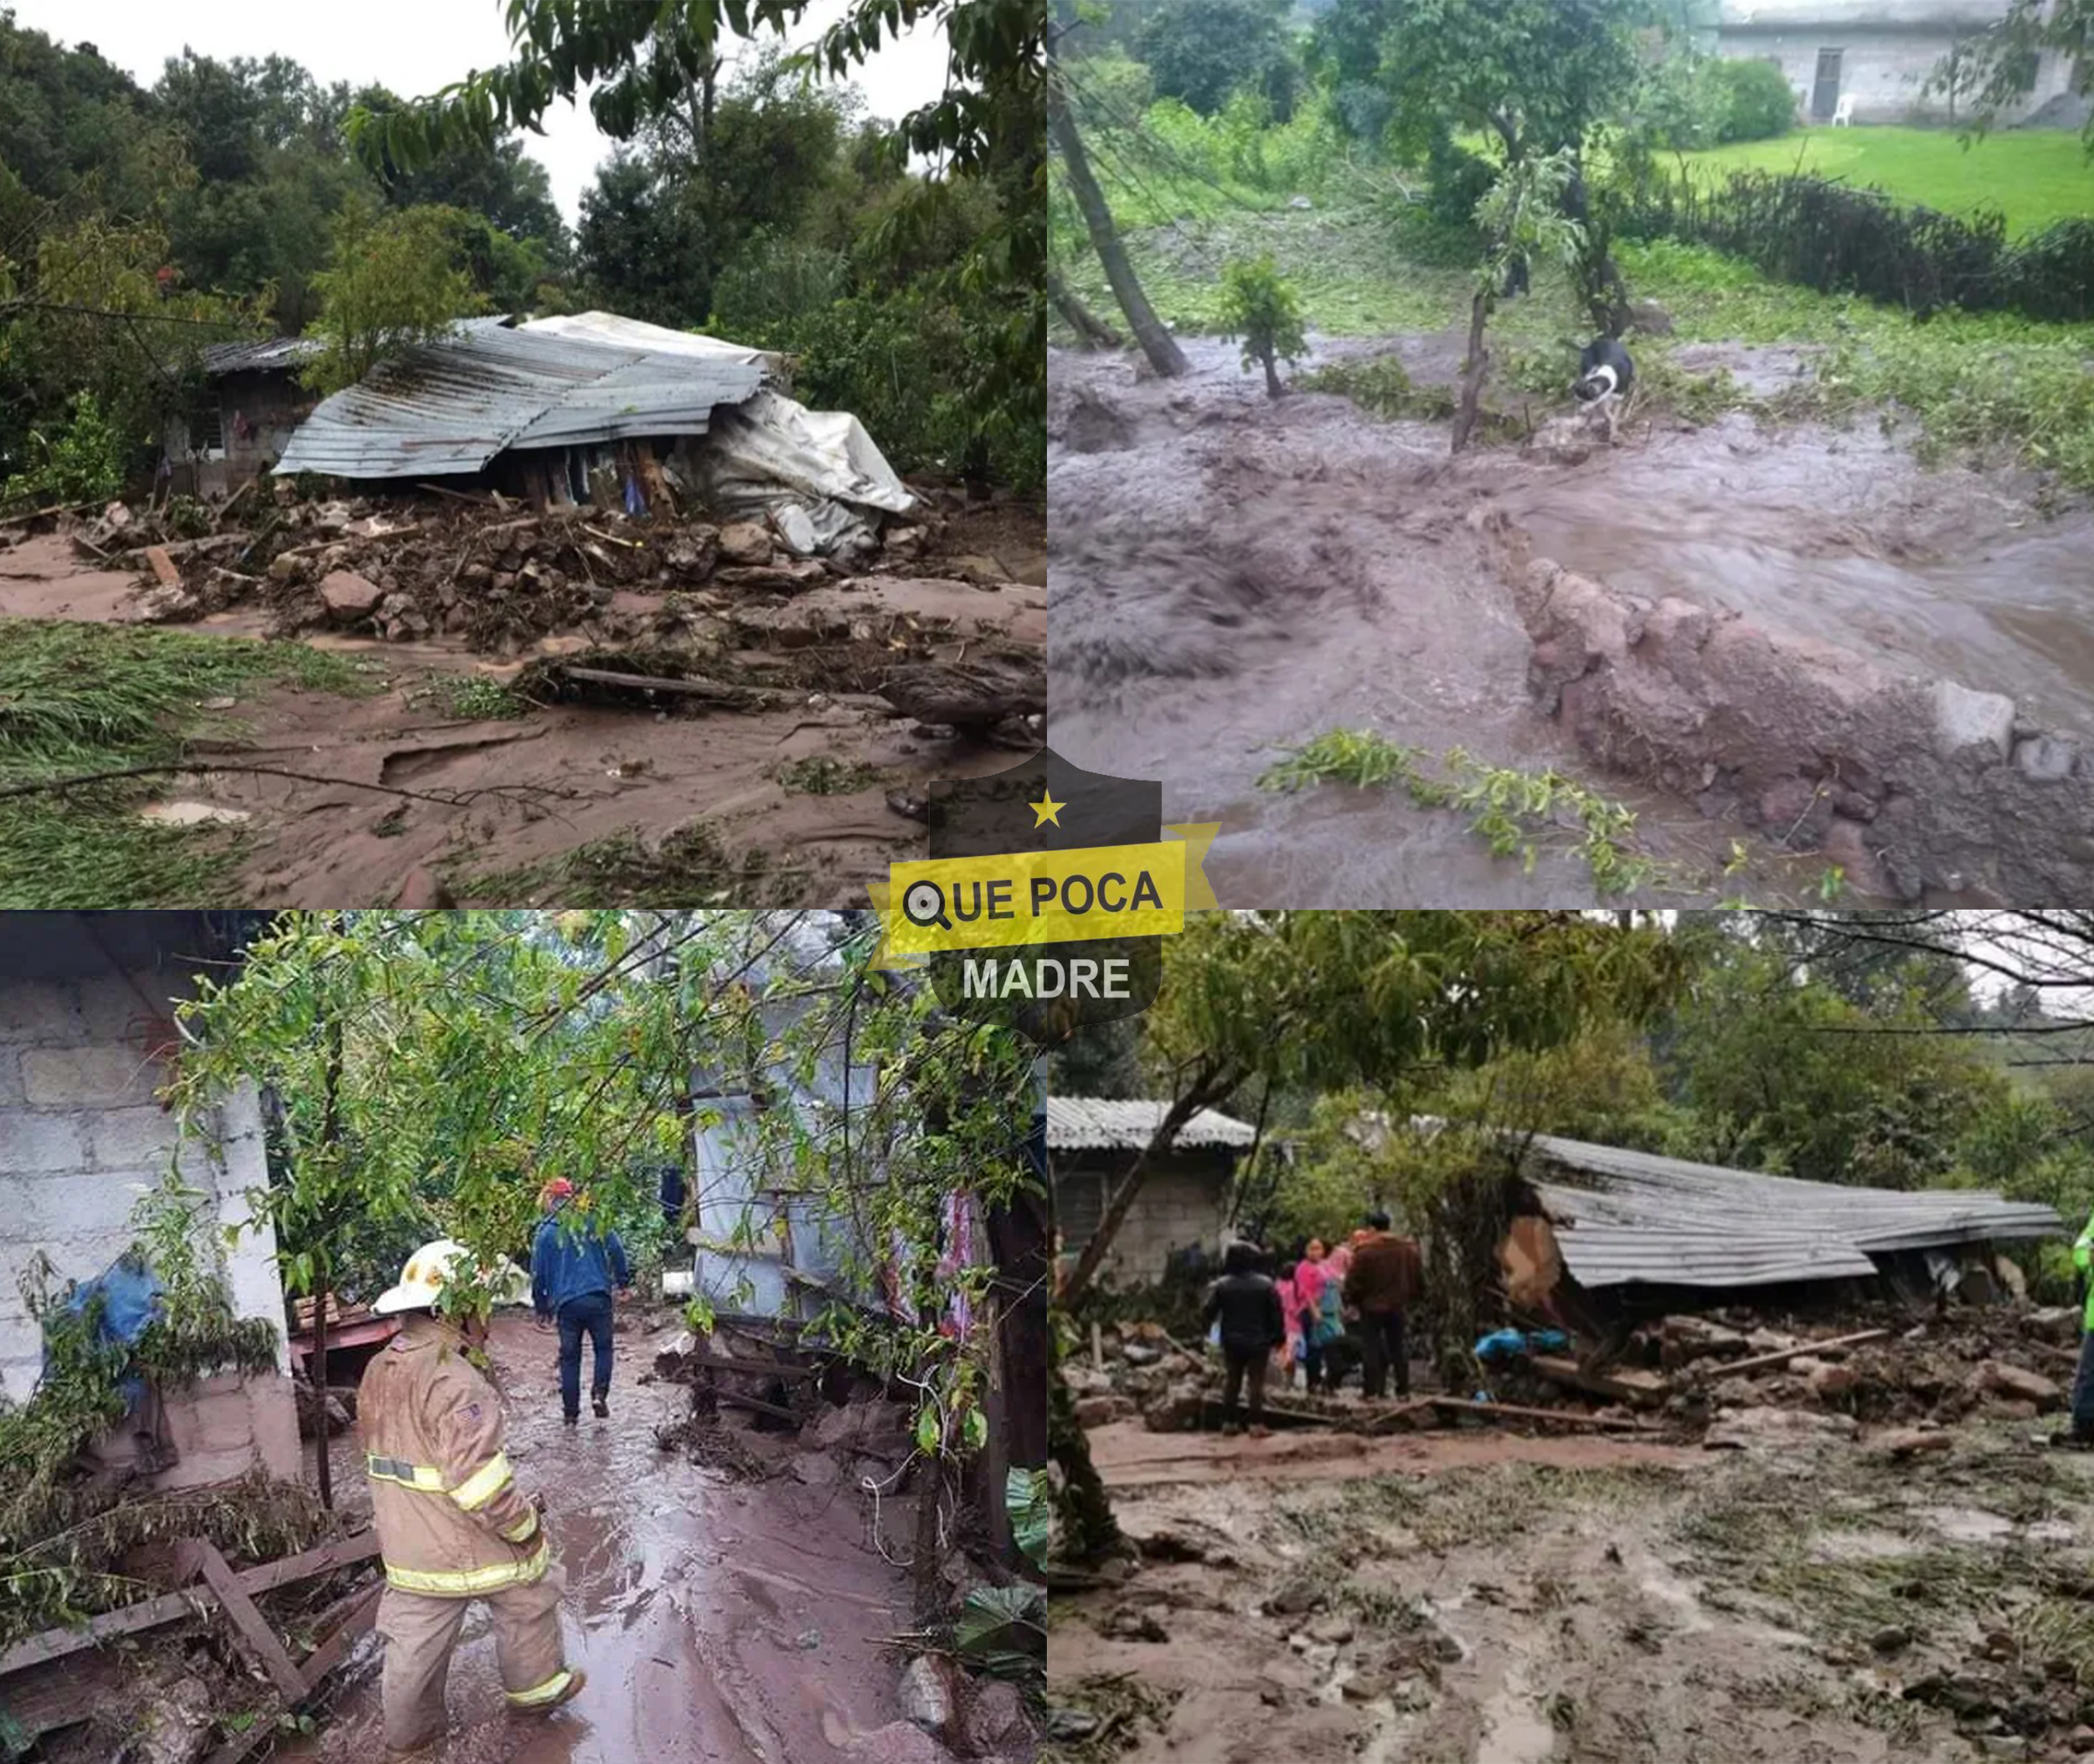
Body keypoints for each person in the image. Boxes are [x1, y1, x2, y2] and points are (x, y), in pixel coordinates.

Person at [361, 1239, 585, 1755]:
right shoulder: (455, 1378)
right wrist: (527, 1528)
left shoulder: (379, 1368)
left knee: (412, 1643)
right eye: (482, 1308)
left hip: (405, 1548)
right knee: (531, 1582)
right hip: (463, 1542)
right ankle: (536, 1695)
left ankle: (409, 1741)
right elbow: (478, 1485)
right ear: (452, 1310)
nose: (488, 1320)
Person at [530, 1179, 632, 1425]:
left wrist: (541, 1307)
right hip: (598, 1297)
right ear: (572, 1198)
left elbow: (538, 1276)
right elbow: (616, 1248)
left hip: (566, 1305)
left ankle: (570, 1414)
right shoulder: (592, 1220)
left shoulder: (545, 1233)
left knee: (570, 1357)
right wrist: (623, 1282)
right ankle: (599, 1394)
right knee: (604, 1349)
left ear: (549, 1200)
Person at [1203, 1240, 1285, 1437]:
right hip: (1259, 1341)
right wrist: (1278, 1337)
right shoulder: (1265, 1284)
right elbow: (1276, 1314)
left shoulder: (1222, 1285)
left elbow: (1208, 1312)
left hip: (1231, 1341)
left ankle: (1229, 1423)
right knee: (1255, 1383)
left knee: (1232, 1381)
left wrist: (1208, 1332)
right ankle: (1256, 1424)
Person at [1343, 1210, 1425, 1400]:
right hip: (1398, 1305)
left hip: (1371, 1306)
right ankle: (1403, 1390)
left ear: (1372, 1228)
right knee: (1398, 1347)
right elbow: (1418, 1277)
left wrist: (1354, 1300)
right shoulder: (1407, 1249)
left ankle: (1370, 1391)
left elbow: (1353, 1281)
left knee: (1371, 1347)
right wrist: (1412, 1297)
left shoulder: (1365, 1252)